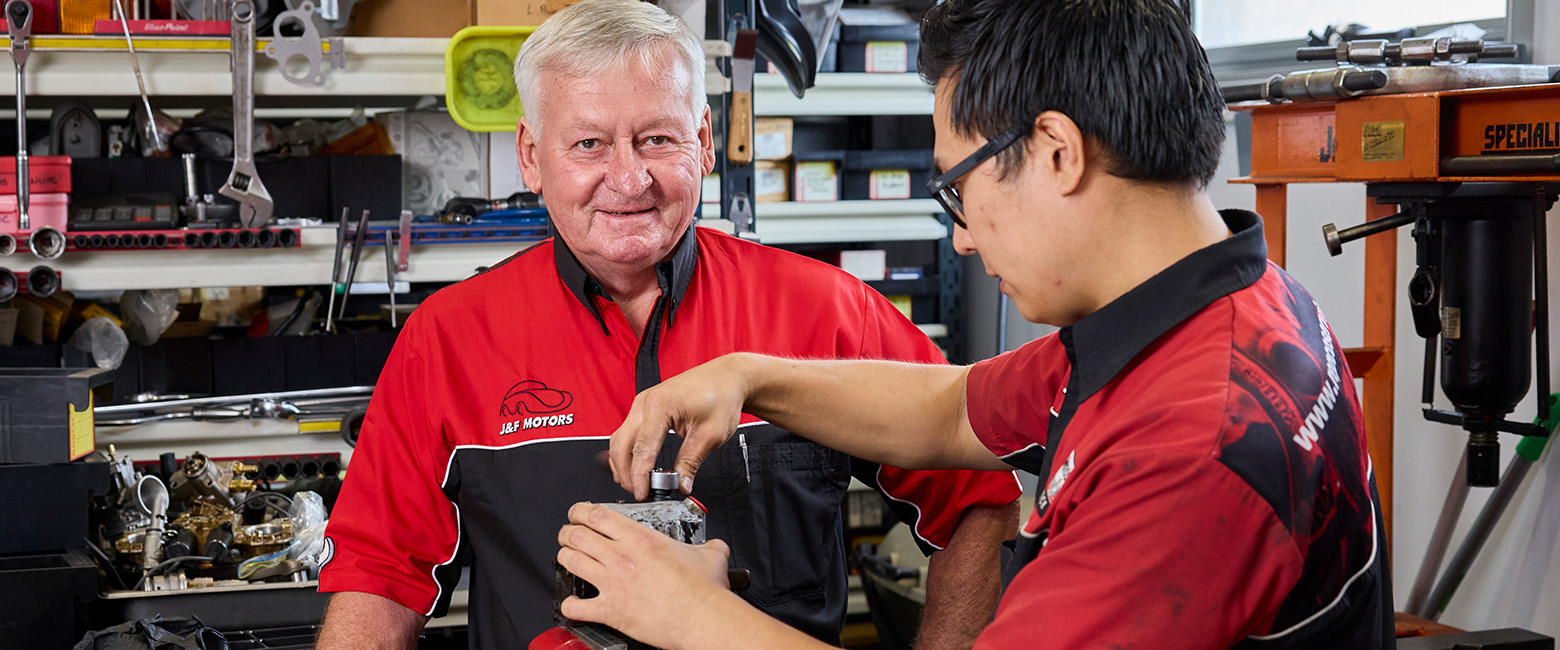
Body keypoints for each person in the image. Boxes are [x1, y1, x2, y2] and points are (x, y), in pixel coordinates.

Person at [558, 0, 1396, 648]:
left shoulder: (1191, 450)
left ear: (1058, 152)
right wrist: (747, 377)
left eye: (957, 188)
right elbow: (952, 408)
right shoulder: (1215, 307)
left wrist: (691, 617)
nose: (960, 234)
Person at [314, 1, 1022, 648]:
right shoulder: (447, 341)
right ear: (532, 156)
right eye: (588, 144)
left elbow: (978, 501)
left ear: (706, 141)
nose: (628, 180)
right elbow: (379, 577)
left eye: (656, 139)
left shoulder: (828, 312)